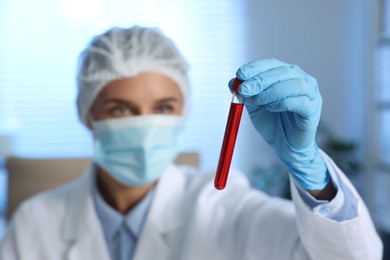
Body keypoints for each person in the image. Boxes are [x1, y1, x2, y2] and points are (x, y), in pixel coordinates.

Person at [0, 26, 383, 260]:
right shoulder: (35, 221)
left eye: (163, 107)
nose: (145, 125)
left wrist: (310, 168)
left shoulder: (222, 203)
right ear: (87, 115)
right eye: (120, 109)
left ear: (184, 113)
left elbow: (354, 257)